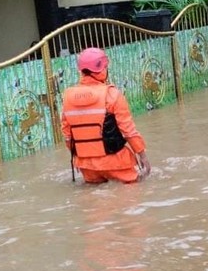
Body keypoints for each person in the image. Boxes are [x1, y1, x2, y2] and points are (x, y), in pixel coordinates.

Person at [61, 47, 151, 184]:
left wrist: (77, 158)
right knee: (132, 196)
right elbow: (128, 131)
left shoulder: (68, 97)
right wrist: (142, 156)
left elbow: (68, 136)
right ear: (102, 69)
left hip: (87, 166)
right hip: (115, 161)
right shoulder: (112, 95)